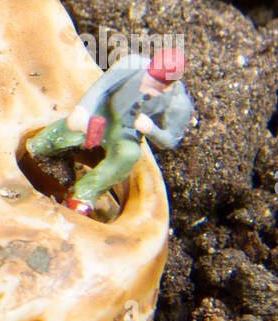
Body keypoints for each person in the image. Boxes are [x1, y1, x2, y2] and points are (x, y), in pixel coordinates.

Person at [26, 48, 195, 216]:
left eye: (158, 86)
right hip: (104, 115)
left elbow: (170, 140)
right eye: (149, 78)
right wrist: (83, 110)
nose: (148, 87)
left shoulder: (178, 104)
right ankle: (40, 147)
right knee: (73, 130)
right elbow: (101, 87)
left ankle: (83, 195)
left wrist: (152, 130)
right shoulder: (132, 65)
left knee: (128, 154)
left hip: (127, 132)